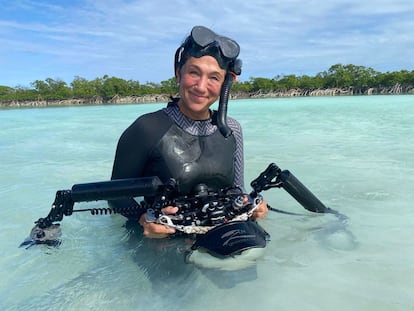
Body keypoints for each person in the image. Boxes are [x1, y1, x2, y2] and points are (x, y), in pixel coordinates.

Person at [109, 25, 268, 239]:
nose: (201, 87)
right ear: (178, 74)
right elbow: (115, 195)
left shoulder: (232, 130)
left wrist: (252, 207)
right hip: (163, 240)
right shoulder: (146, 128)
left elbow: (238, 190)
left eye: (214, 77)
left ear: (226, 84)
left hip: (222, 233)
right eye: (194, 73)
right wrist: (142, 219)